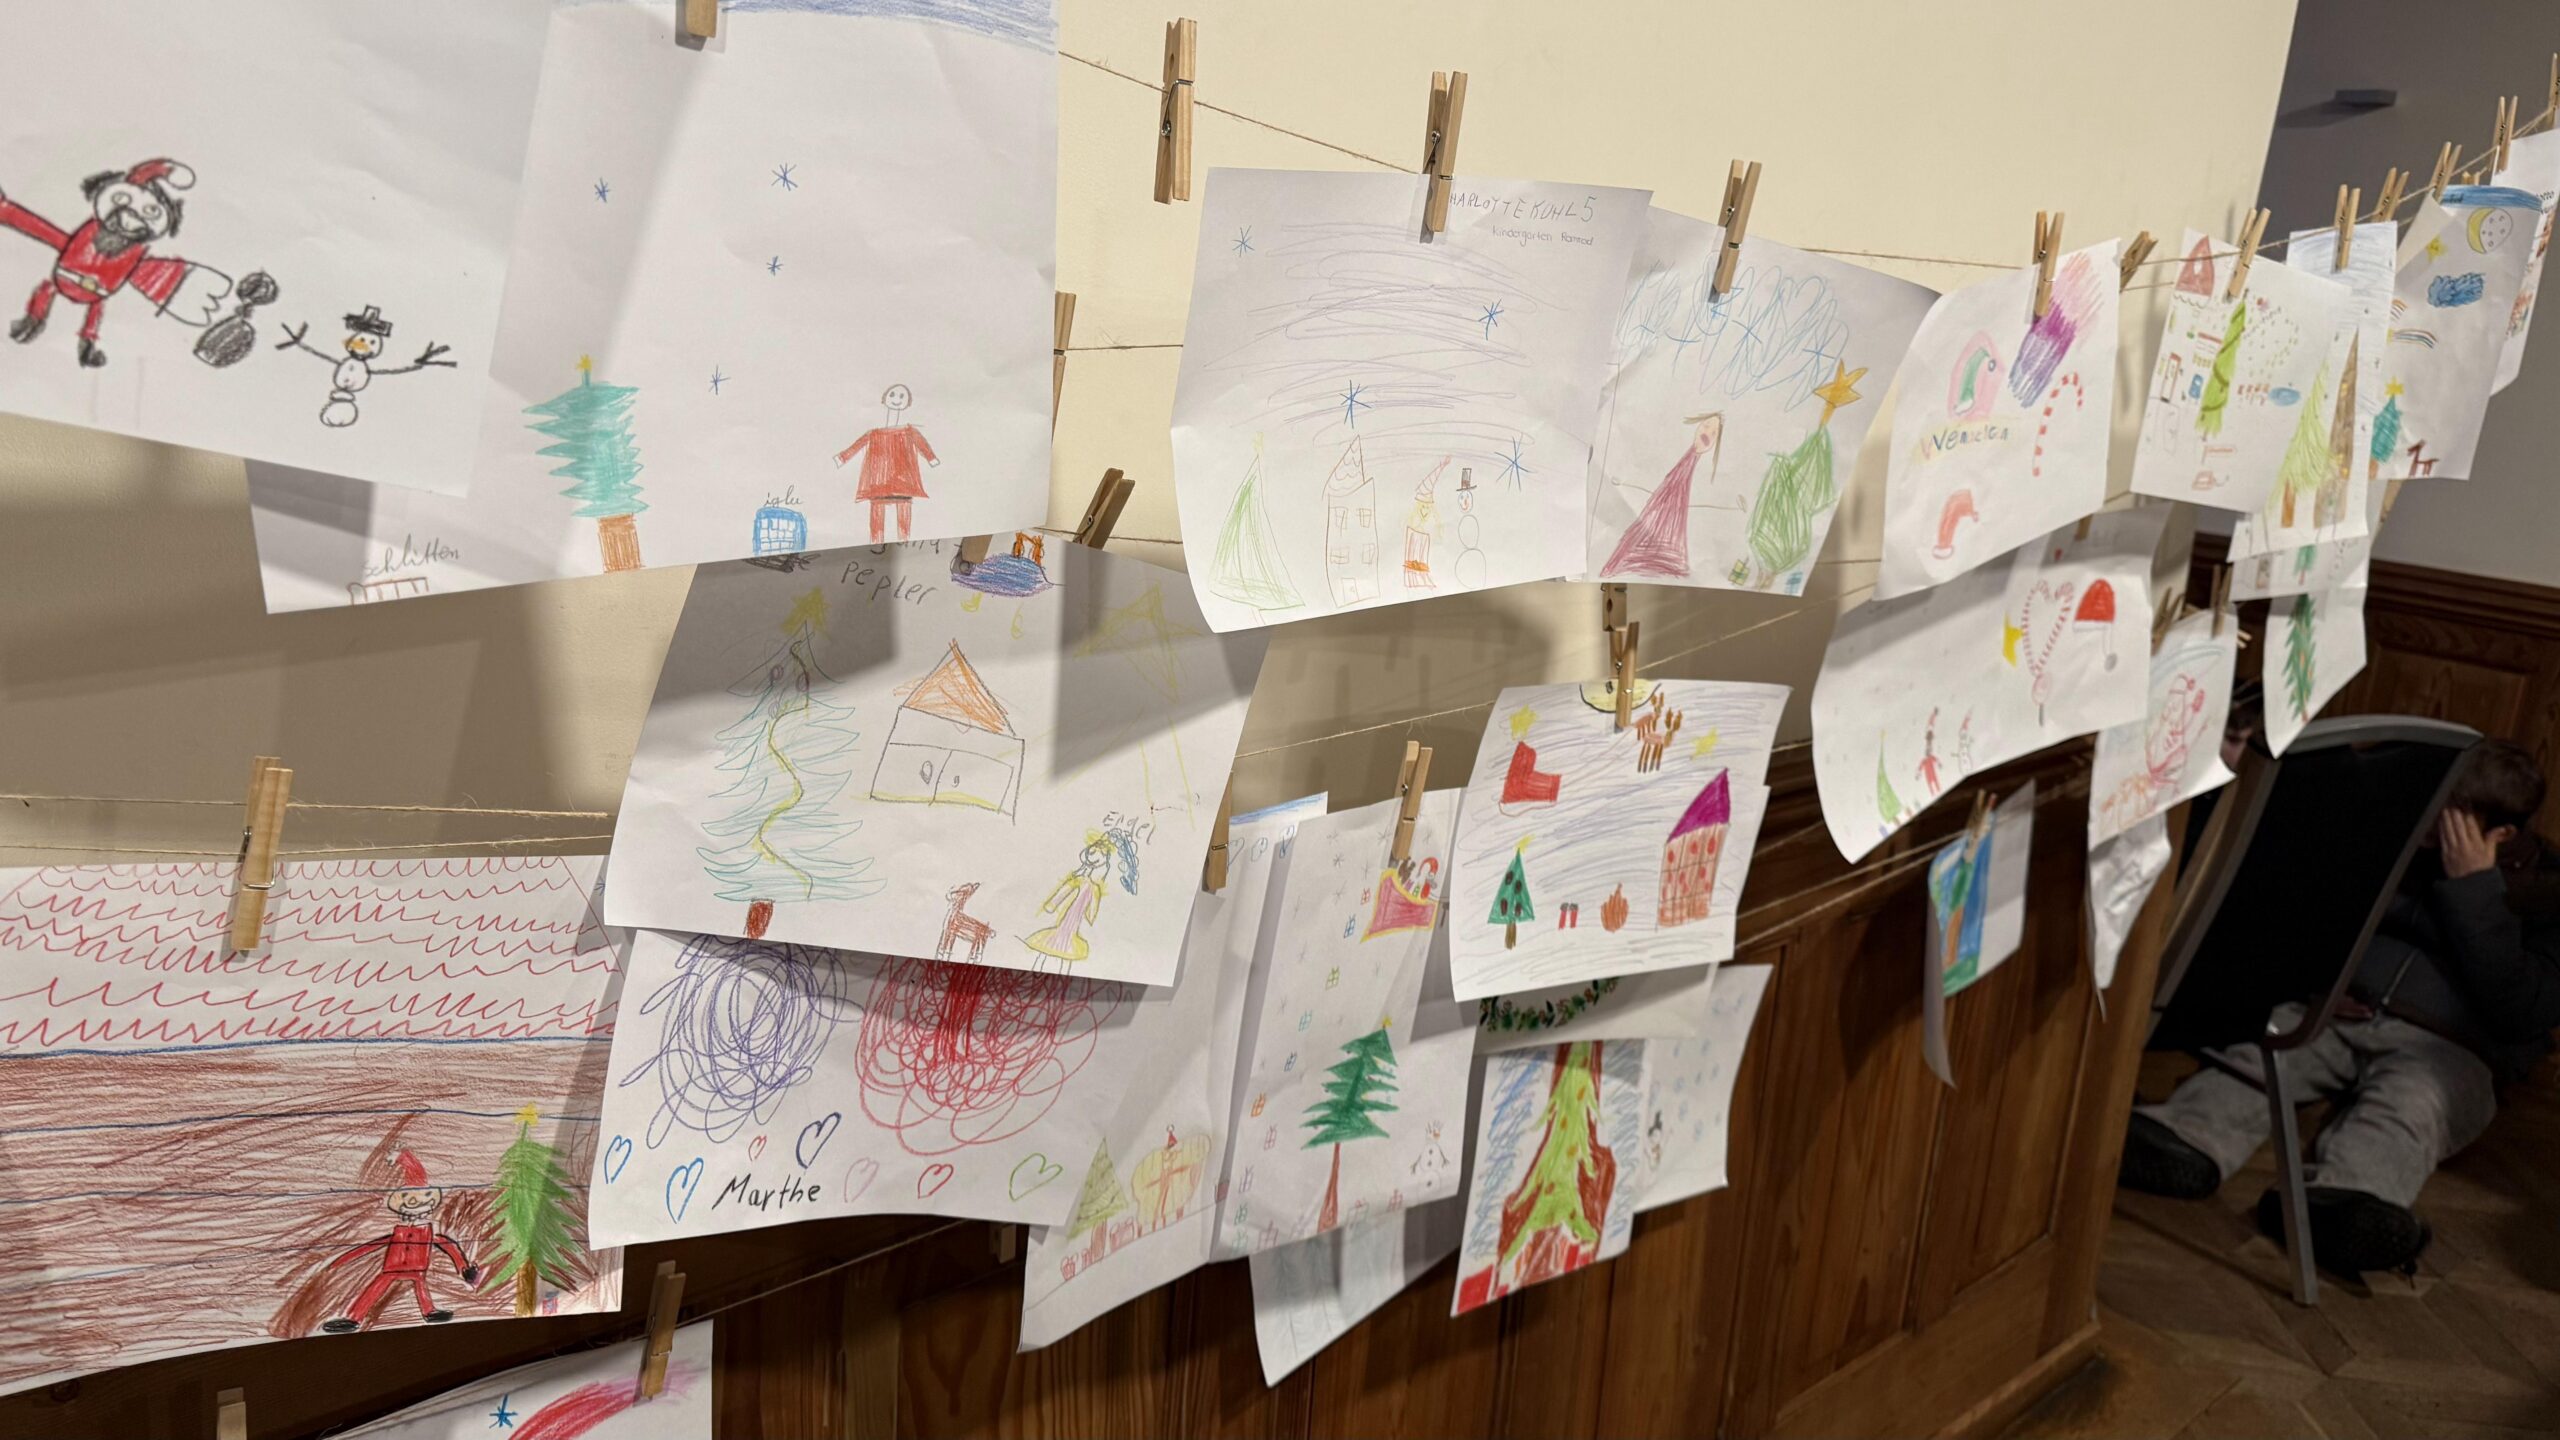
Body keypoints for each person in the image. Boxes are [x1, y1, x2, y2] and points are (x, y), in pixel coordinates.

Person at [2120, 739, 2560, 1276]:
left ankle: (2344, 1205)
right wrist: (2317, 982)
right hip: (2338, 1007)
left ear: (2501, 833)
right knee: (2263, 1055)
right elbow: (2309, 912)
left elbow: (2522, 1007)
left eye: (2446, 817)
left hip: (2448, 1046)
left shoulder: (2547, 892)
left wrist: (2474, 892)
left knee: (2412, 1108)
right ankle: (2182, 1137)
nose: (2425, 819)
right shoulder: (2394, 838)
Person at [319, 1150, 481, 1332]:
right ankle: (354, 1319)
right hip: (392, 1268)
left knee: (418, 1284)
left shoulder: (426, 1232)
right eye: (408, 1199)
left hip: (416, 1268)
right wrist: (341, 1260)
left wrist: (464, 1269)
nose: (415, 1204)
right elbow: (370, 1246)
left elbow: (448, 1246)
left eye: (420, 1200)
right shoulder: (400, 1232)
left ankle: (429, 1312)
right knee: (378, 1286)